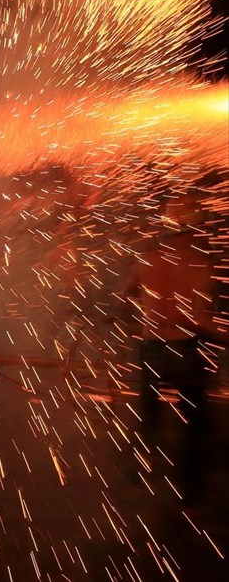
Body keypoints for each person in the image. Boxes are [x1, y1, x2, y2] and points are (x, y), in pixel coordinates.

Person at [123, 191, 225, 505]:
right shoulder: (199, 262)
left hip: (151, 348)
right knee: (194, 423)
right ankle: (190, 496)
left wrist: (142, 323)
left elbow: (126, 296)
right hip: (185, 350)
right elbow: (197, 319)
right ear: (192, 229)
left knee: (148, 419)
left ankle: (135, 482)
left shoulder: (148, 259)